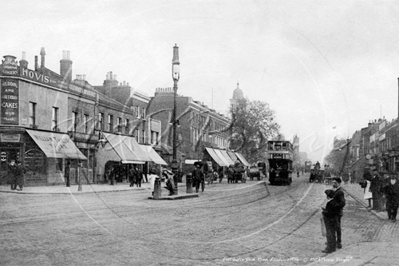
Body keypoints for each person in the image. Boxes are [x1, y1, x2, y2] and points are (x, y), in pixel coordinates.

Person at [322, 189, 341, 253]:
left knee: (329, 234)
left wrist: (324, 211)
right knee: (333, 234)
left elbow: (328, 213)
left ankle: (329, 248)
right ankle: (333, 247)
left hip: (329, 221)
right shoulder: (335, 202)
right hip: (334, 220)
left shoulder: (330, 203)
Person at [331, 177, 346, 250]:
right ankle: (335, 241)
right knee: (335, 227)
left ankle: (338, 242)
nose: (333, 184)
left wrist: (334, 206)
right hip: (335, 212)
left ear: (339, 183)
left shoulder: (340, 192)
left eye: (335, 183)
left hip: (337, 212)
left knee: (337, 227)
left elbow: (342, 203)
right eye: (333, 182)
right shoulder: (336, 190)